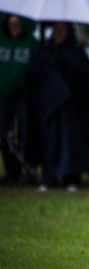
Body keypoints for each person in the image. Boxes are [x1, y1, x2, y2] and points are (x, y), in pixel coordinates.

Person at [25, 22, 89, 192]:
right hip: (49, 107)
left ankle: (72, 178)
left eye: (62, 31)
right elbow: (34, 72)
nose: (58, 34)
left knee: (70, 142)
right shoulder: (46, 52)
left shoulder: (76, 53)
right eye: (56, 31)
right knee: (50, 141)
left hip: (71, 108)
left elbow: (82, 77)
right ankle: (49, 177)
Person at [0, 14, 39, 185]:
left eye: (16, 23)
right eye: (10, 23)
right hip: (4, 95)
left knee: (26, 132)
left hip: (25, 95)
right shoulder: (2, 42)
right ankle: (12, 171)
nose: (13, 26)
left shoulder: (31, 44)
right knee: (5, 134)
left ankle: (30, 170)